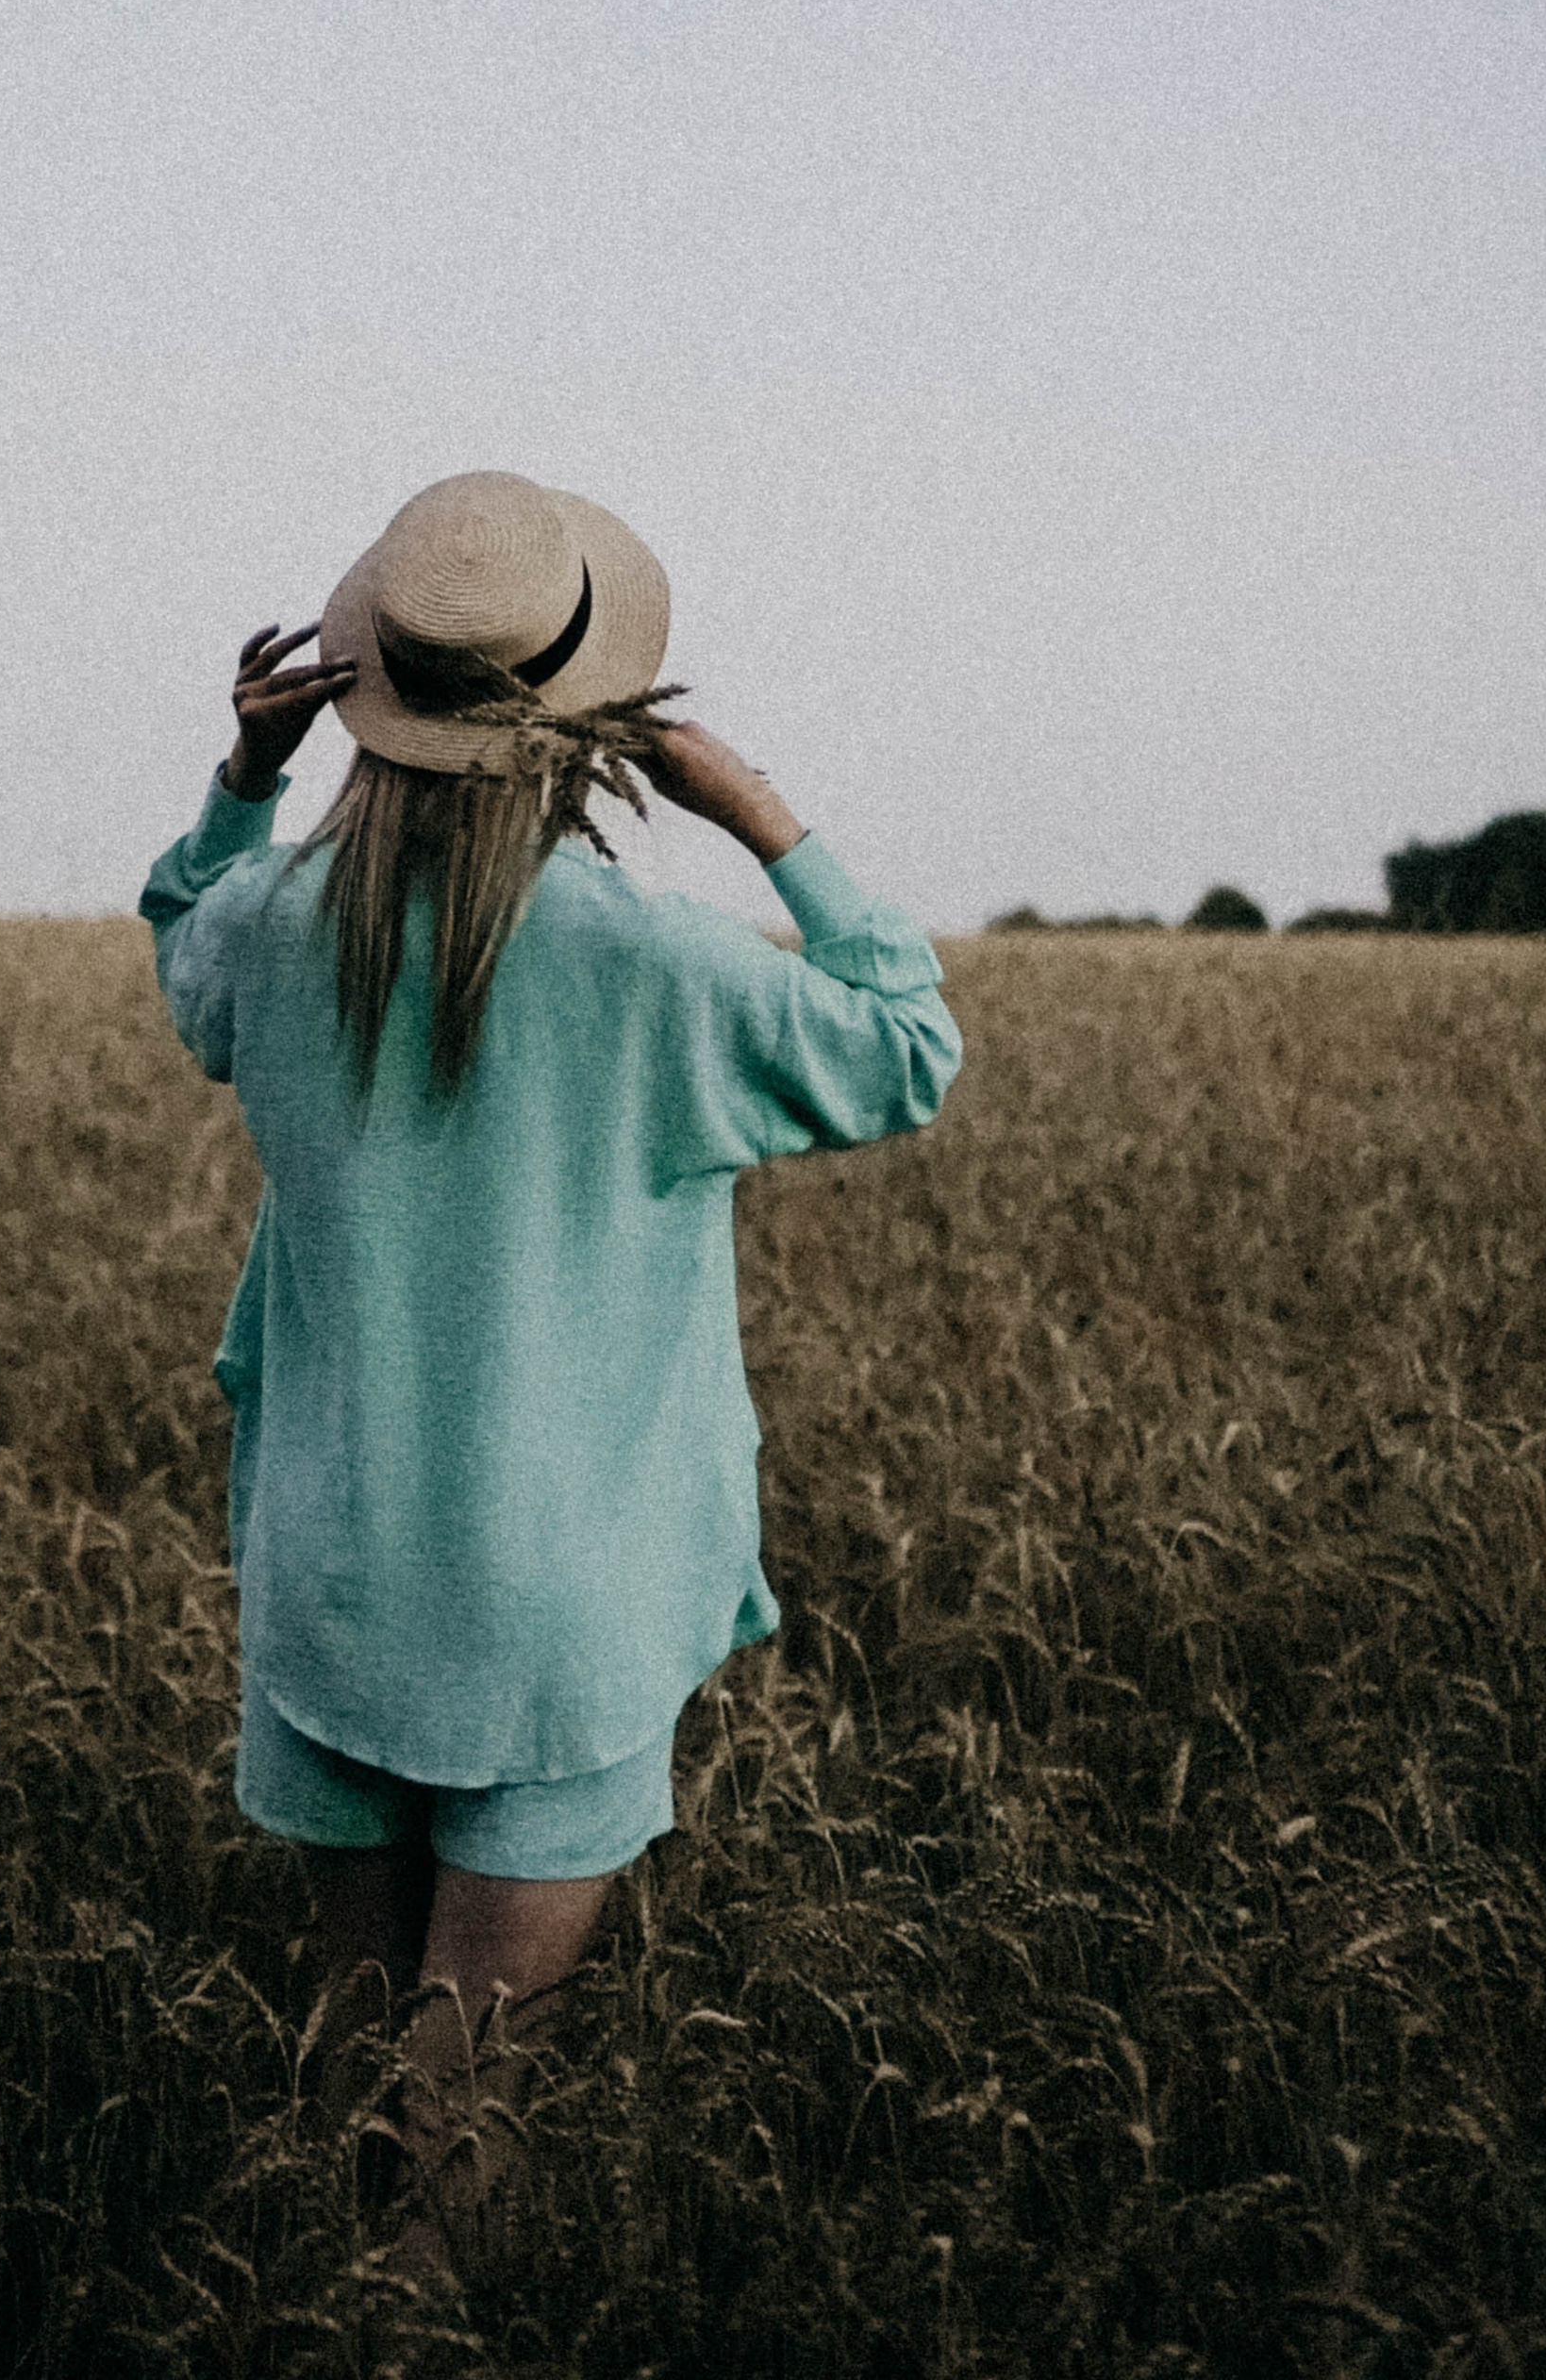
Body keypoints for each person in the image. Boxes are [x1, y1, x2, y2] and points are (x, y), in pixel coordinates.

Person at [139, 471, 961, 2284]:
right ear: (599, 724)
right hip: (557, 1617)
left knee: (353, 2066)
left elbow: (176, 934)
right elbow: (910, 1047)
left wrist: (239, 781)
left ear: (370, 690)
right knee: (464, 2121)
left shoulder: (273, 933)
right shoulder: (655, 968)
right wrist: (753, 812)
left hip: (332, 1578)